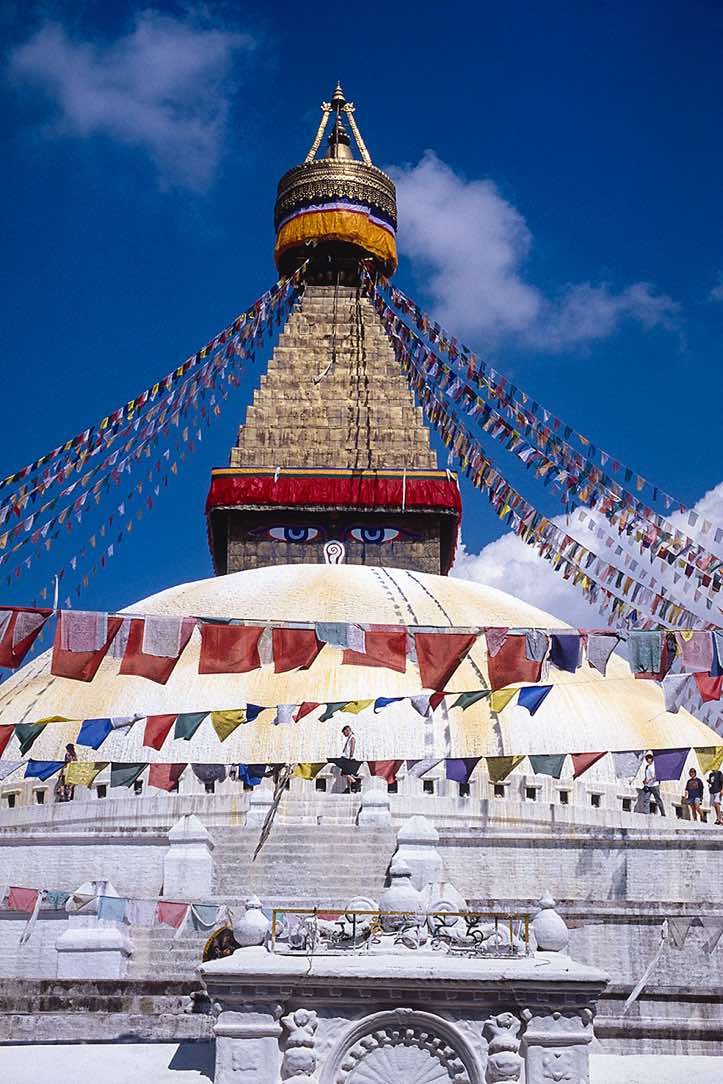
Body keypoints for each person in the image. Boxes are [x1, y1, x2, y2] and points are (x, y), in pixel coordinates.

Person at [338, 725, 361, 793]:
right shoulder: (350, 737)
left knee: (344, 774)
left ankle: (356, 782)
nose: (344, 734)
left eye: (344, 732)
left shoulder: (352, 737)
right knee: (348, 774)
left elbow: (353, 746)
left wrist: (351, 755)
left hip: (349, 758)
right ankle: (348, 789)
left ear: (348, 730)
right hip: (347, 757)